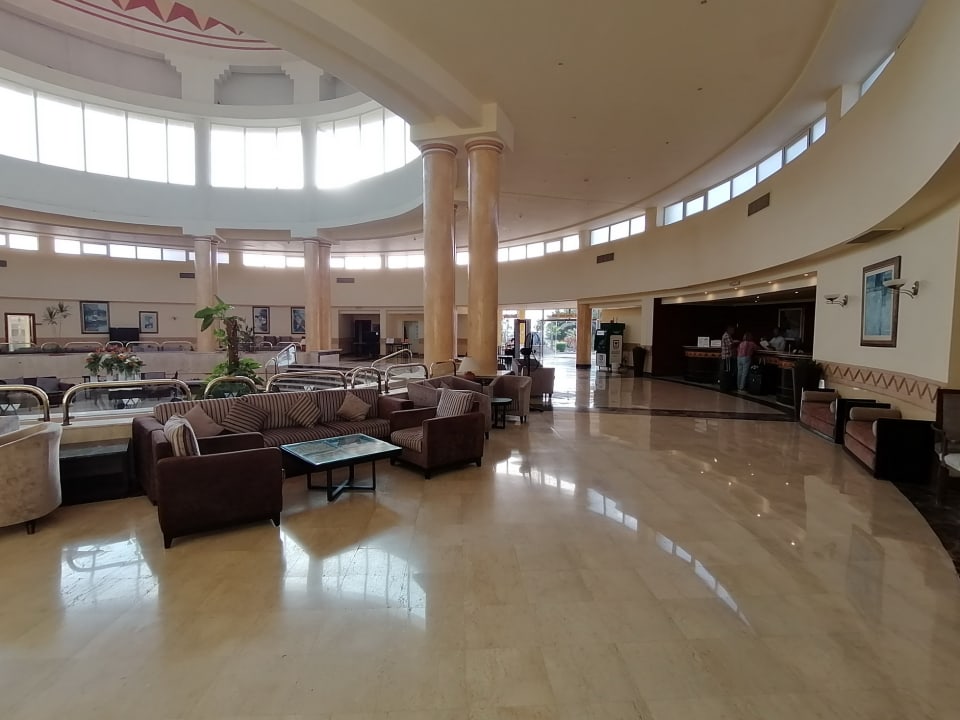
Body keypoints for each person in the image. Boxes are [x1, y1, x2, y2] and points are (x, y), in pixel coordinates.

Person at [719, 325, 736, 391]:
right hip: (727, 357)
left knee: (726, 371)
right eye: (732, 330)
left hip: (726, 357)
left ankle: (725, 386)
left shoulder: (727, 335)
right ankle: (725, 387)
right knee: (727, 372)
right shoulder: (727, 335)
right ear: (729, 329)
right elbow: (730, 345)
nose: (733, 331)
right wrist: (736, 343)